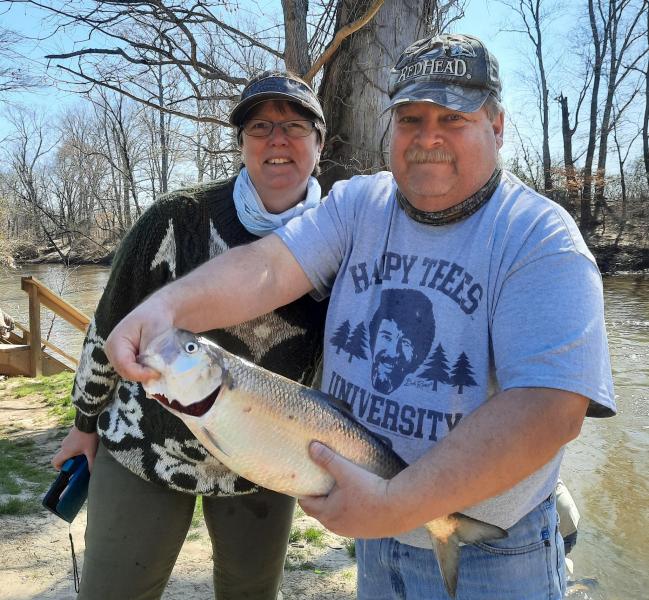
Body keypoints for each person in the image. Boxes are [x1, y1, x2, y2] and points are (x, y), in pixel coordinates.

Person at [104, 33, 616, 600]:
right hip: (373, 528)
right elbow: (269, 268)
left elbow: (549, 410)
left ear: (496, 126)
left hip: (494, 549)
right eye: (411, 118)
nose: (428, 139)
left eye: (453, 118)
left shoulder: (540, 239)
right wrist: (166, 306)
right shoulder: (358, 204)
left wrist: (398, 504)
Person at [52, 70, 329, 600]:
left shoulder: (341, 238)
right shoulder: (176, 218)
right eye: (259, 127)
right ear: (241, 143)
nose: (277, 140)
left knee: (250, 593)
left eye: (294, 126)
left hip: (262, 461)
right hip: (147, 445)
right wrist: (85, 424)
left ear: (320, 142)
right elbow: (108, 326)